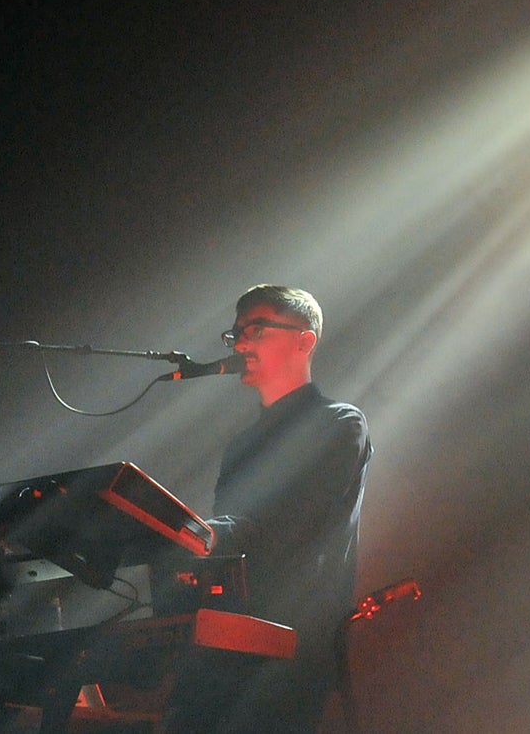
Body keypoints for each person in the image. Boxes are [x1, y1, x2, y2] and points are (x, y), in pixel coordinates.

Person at [167, 285, 371, 734]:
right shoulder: (241, 445)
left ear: (304, 341)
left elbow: (292, 522)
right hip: (228, 637)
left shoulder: (339, 424)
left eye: (256, 330)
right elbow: (228, 547)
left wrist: (201, 532)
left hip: (293, 639)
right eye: (236, 334)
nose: (240, 344)